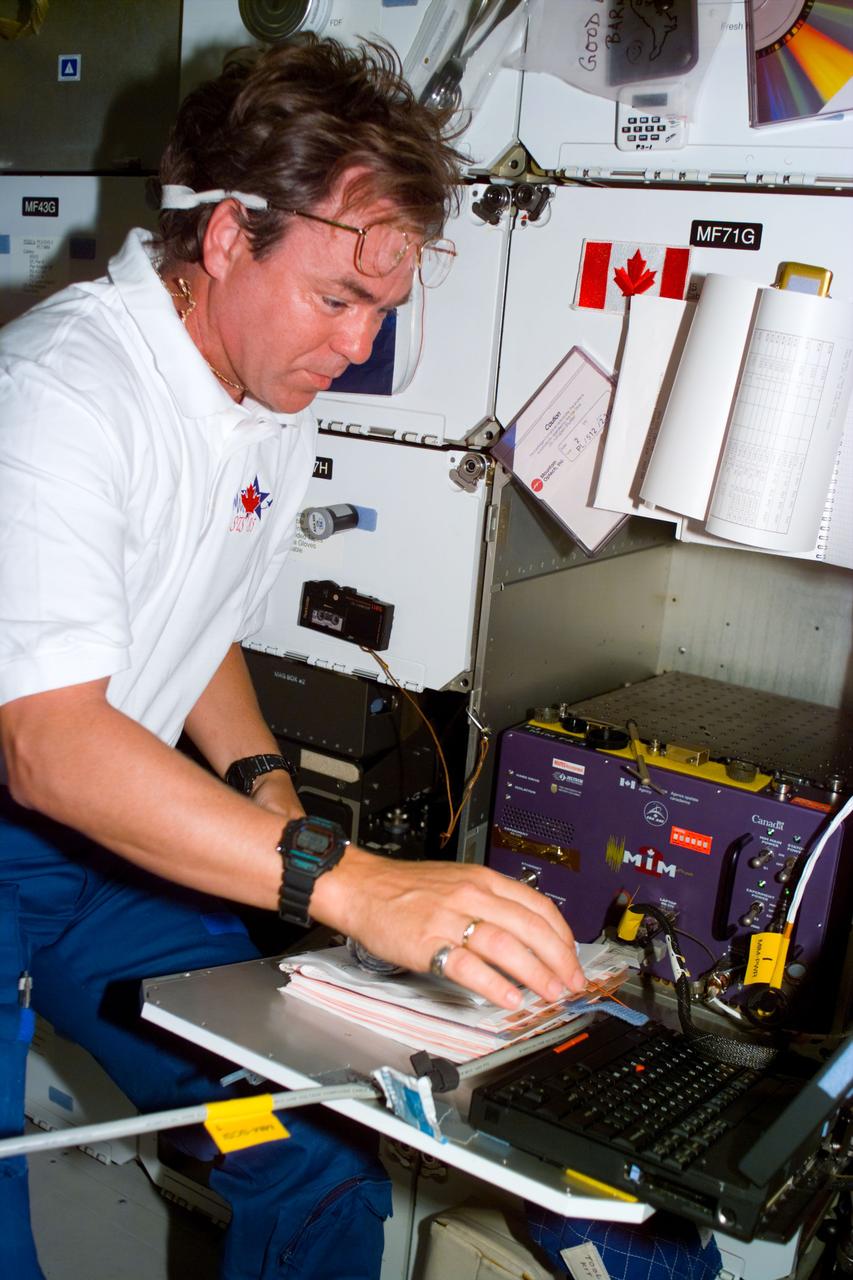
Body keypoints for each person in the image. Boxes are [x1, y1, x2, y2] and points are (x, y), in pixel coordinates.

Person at [0, 35, 584, 1279]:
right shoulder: (58, 397)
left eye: (382, 308)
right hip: (45, 801)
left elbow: (187, 603)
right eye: (338, 299)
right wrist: (352, 881)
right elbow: (49, 741)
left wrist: (265, 786)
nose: (357, 345)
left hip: (105, 853)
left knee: (305, 1150)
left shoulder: (263, 391)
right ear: (223, 239)